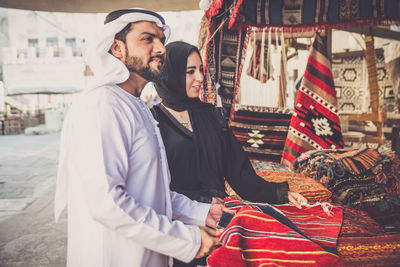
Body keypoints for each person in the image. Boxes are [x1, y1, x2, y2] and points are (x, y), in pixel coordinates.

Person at [54, 9, 230, 267]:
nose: (160, 48)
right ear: (117, 48)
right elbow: (107, 203)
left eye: (161, 39)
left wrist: (204, 212)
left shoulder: (136, 106)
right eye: (147, 39)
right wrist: (189, 239)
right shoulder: (103, 106)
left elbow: (153, 194)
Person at [152, 41, 307, 212]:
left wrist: (280, 194)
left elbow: (238, 171)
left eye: (201, 70)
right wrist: (202, 201)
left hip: (221, 213)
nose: (200, 78)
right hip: (177, 217)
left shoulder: (211, 115)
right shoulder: (153, 121)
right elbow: (154, 186)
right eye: (190, 72)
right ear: (170, 74)